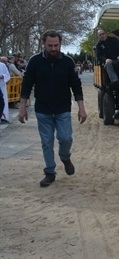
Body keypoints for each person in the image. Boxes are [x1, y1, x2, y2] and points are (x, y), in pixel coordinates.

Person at [18, 29, 87, 187]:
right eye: (50, 45)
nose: (54, 48)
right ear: (44, 44)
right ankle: (50, 172)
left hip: (63, 108)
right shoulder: (35, 62)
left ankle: (65, 157)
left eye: (56, 45)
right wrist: (22, 108)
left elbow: (76, 86)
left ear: (60, 44)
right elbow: (27, 85)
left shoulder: (68, 62)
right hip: (43, 109)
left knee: (65, 138)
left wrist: (81, 108)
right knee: (46, 142)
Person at [0, 59, 9, 123]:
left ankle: (2, 117)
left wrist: (2, 76)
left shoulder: (2, 65)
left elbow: (7, 75)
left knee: (2, 102)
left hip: (1, 85)